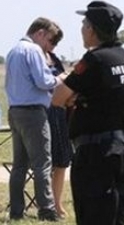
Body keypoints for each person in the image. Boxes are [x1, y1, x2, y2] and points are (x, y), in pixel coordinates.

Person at [52, 0, 124, 225]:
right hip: (122, 148)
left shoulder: (95, 59)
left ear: (91, 29)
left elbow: (59, 97)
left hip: (95, 153)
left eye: (84, 24)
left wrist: (74, 94)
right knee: (117, 215)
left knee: (94, 215)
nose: (82, 29)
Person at [4, 17, 61, 221]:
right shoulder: (34, 50)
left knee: (19, 165)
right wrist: (59, 79)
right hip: (33, 112)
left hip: (15, 110)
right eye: (49, 41)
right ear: (40, 33)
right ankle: (46, 209)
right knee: (42, 163)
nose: (48, 47)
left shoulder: (13, 51)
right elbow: (43, 81)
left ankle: (17, 210)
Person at [42, 24, 73, 218]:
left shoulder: (54, 59)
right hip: (43, 112)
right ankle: (46, 203)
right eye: (52, 40)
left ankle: (57, 203)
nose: (53, 45)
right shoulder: (34, 57)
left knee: (62, 161)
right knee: (45, 162)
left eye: (56, 42)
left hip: (60, 113)